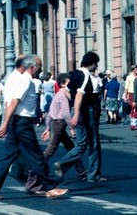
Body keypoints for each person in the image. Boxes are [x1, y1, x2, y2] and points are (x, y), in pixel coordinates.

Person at [0, 55, 67, 200]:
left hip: (17, 122)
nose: (40, 70)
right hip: (22, 123)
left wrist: (8, 122)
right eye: (39, 66)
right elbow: (15, 101)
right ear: (32, 67)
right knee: (36, 156)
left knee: (7, 157)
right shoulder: (26, 80)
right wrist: (5, 123)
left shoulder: (20, 79)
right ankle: (50, 187)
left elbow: (11, 102)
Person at [54, 51, 105, 183]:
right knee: (93, 142)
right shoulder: (85, 76)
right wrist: (76, 113)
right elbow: (79, 95)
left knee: (81, 144)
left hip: (76, 110)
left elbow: (66, 91)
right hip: (85, 111)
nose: (96, 67)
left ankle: (62, 164)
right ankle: (93, 175)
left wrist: (72, 109)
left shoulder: (74, 74)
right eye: (96, 64)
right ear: (92, 63)